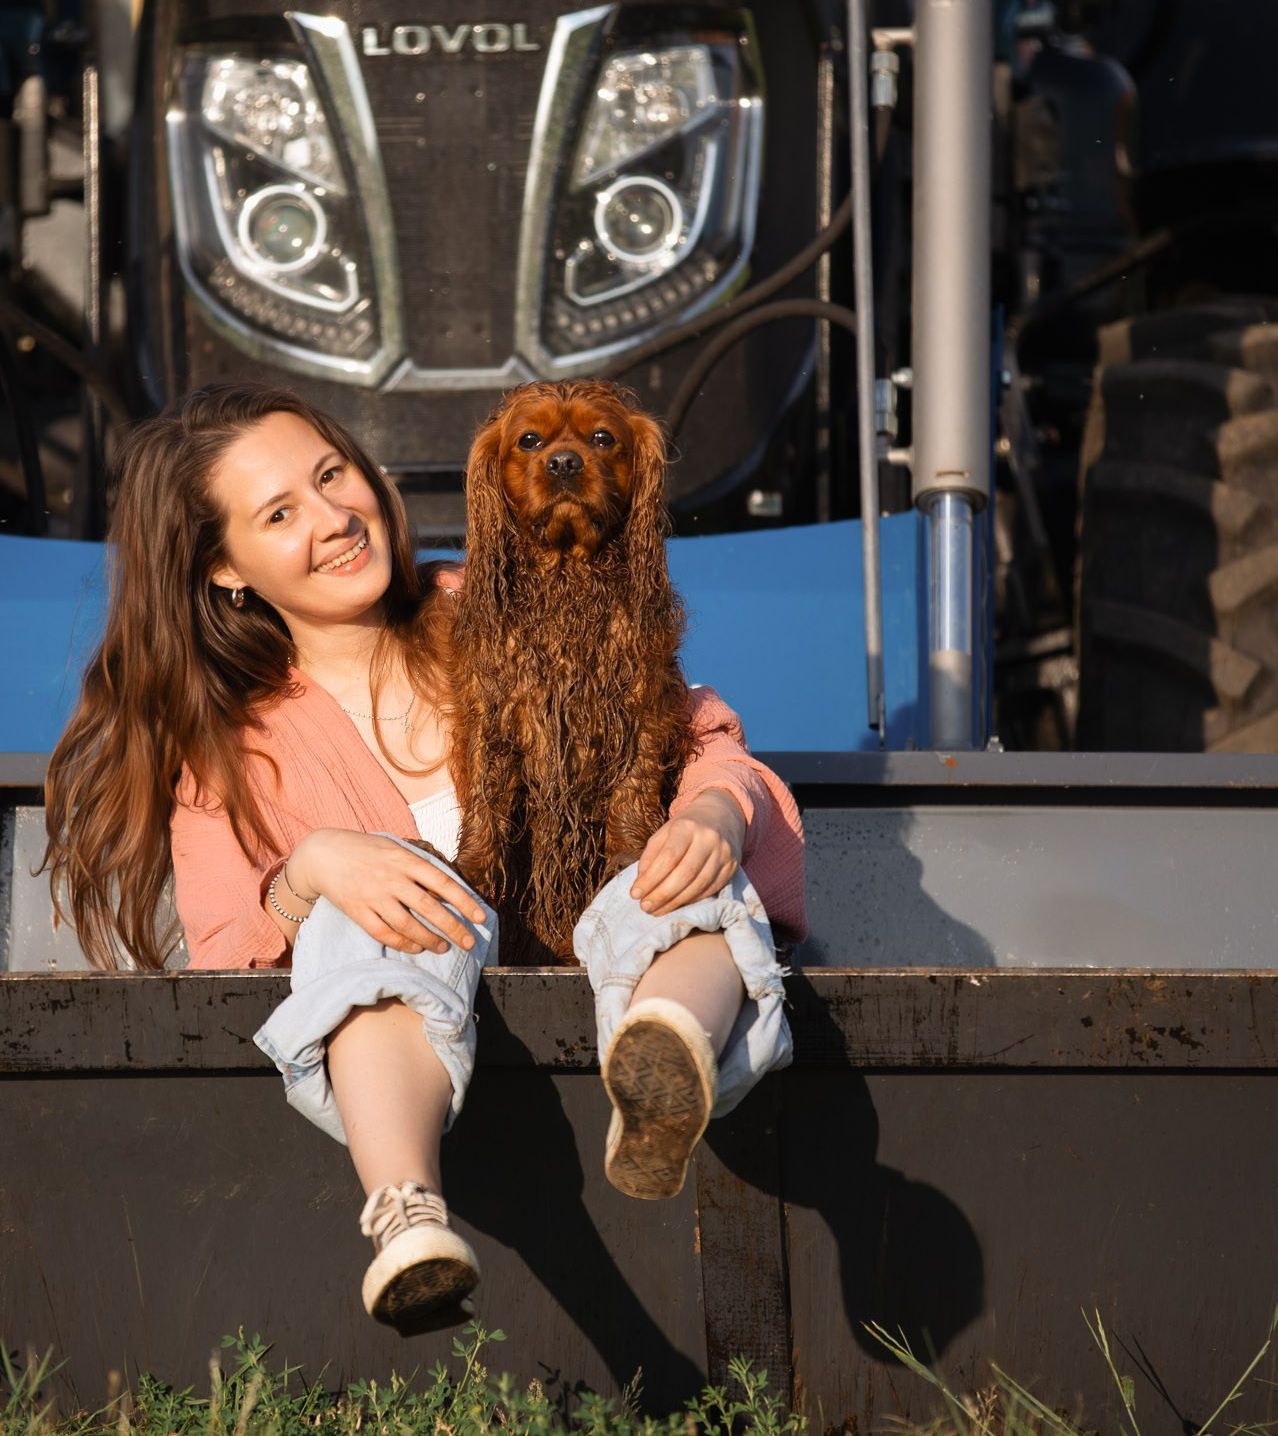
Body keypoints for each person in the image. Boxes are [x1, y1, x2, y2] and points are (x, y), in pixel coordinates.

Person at [44, 382, 804, 1335]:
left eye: (332, 475)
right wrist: (312, 869)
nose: (333, 517)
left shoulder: (488, 597)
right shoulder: (231, 754)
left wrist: (714, 812)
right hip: (432, 1055)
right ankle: (406, 1213)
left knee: (678, 877)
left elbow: (695, 733)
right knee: (363, 909)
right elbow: (225, 946)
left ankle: (667, 1058)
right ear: (224, 569)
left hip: (604, 985)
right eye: (280, 513)